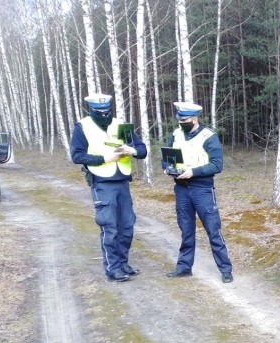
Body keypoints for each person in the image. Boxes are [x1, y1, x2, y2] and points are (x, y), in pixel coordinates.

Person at [71, 93, 147, 282]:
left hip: (122, 182)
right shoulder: (83, 126)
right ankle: (113, 268)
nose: (104, 115)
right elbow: (77, 156)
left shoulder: (119, 124)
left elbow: (142, 149)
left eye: (107, 111)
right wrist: (105, 158)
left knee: (127, 226)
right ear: (92, 109)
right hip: (102, 183)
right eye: (100, 112)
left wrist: (133, 150)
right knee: (109, 226)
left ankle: (123, 264)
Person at [164, 101, 233, 283]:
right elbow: (168, 157)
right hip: (181, 189)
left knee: (213, 229)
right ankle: (184, 267)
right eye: (179, 119)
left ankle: (225, 269)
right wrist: (168, 168)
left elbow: (217, 165)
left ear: (195, 119)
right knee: (186, 230)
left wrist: (193, 171)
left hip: (202, 189)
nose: (181, 122)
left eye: (185, 119)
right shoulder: (176, 134)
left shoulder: (208, 136)